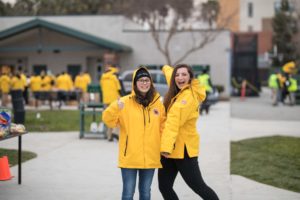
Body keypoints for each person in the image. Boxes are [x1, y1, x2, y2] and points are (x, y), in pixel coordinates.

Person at [102, 66, 165, 200]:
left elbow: (163, 127)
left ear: (151, 83)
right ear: (135, 83)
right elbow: (108, 120)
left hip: (150, 156)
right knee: (128, 193)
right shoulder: (124, 102)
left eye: (147, 80)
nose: (144, 83)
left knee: (145, 192)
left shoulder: (157, 104)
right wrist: (115, 109)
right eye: (141, 80)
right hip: (129, 156)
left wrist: (164, 147)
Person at [158, 64, 219, 200]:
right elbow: (170, 75)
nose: (180, 77)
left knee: (199, 187)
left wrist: (166, 148)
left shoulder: (187, 98)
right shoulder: (178, 87)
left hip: (182, 150)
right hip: (170, 149)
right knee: (164, 187)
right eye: (177, 75)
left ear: (190, 77)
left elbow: (173, 123)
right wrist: (165, 68)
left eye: (184, 75)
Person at [100, 65, 122, 141]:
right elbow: (119, 88)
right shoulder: (114, 78)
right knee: (117, 117)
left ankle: (109, 135)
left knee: (108, 117)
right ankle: (115, 133)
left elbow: (102, 88)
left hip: (106, 100)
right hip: (114, 100)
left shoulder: (102, 78)